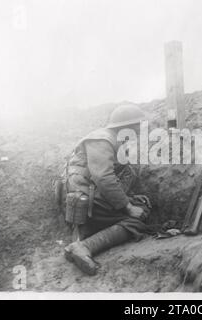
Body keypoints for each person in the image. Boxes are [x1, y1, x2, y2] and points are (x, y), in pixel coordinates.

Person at [63, 103, 152, 275]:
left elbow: (112, 177)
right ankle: (83, 246)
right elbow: (103, 178)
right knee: (137, 220)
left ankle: (88, 232)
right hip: (85, 199)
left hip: (91, 196)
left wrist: (130, 199)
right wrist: (128, 207)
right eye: (137, 126)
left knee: (141, 207)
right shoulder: (102, 139)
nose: (140, 130)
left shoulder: (113, 140)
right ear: (126, 127)